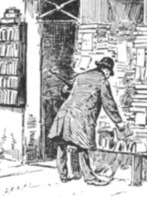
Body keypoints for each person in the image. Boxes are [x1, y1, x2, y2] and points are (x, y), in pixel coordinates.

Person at [48, 56, 126, 186]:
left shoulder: (81, 76)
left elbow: (64, 91)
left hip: (65, 112)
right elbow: (109, 104)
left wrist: (75, 93)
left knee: (62, 144)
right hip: (80, 116)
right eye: (109, 72)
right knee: (82, 146)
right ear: (105, 69)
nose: (108, 75)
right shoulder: (102, 81)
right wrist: (119, 122)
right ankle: (89, 177)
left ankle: (63, 175)